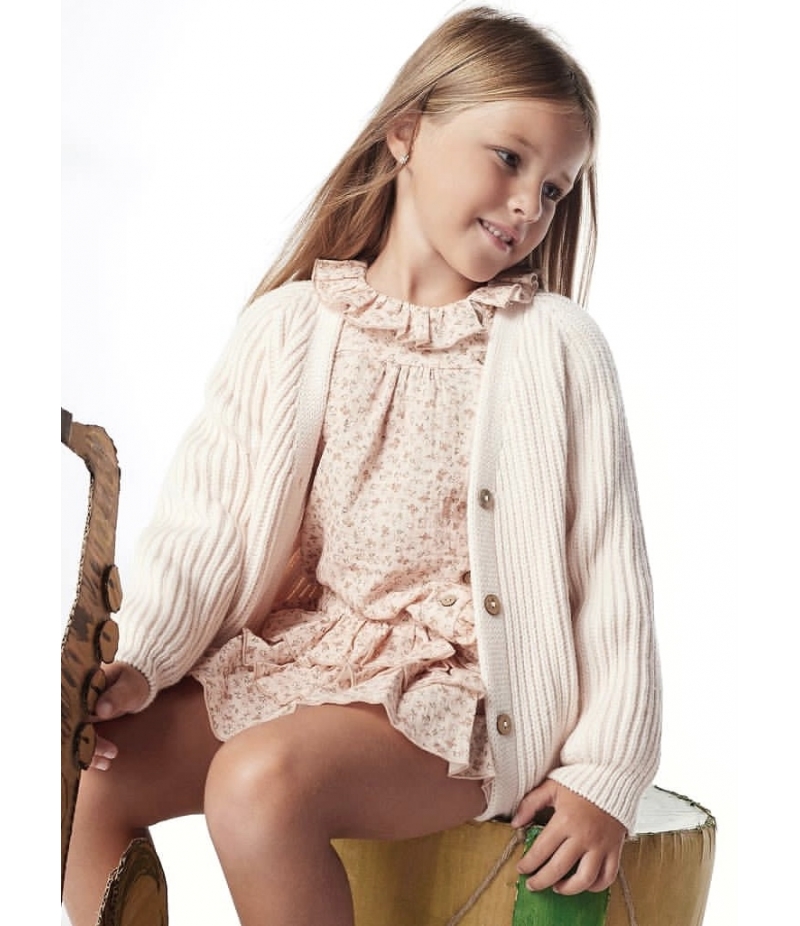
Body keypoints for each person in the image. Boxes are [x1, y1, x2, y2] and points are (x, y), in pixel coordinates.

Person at [63, 6, 661, 925]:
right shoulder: (288, 328)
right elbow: (203, 528)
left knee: (259, 784)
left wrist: (606, 772)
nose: (528, 206)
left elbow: (611, 574)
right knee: (83, 774)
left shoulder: (556, 347)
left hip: (463, 700)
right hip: (303, 659)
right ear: (405, 133)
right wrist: (142, 658)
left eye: (554, 189)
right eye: (509, 159)